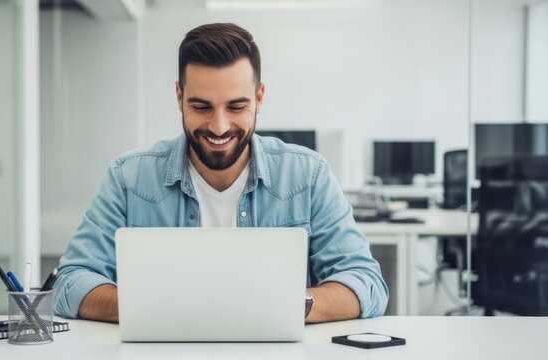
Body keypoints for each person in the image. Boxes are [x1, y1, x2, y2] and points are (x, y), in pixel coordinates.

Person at [53, 23, 388, 323]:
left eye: (236, 106)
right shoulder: (129, 177)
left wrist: (287, 304)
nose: (219, 126)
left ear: (259, 98)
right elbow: (72, 283)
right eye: (201, 107)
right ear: (179, 96)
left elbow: (365, 283)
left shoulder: (308, 175)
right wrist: (167, 308)